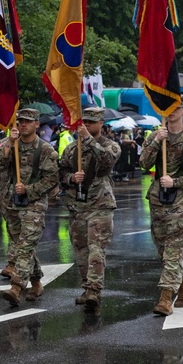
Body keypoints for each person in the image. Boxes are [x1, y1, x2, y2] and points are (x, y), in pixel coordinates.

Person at [139, 96, 183, 316]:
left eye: (175, 108)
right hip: (158, 199)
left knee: (174, 250)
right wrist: (157, 140)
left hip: (182, 199)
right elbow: (143, 163)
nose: (171, 112)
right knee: (163, 249)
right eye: (167, 108)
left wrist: (176, 182)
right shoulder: (156, 136)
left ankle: (166, 298)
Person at [0, 108, 59, 307]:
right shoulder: (8, 144)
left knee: (25, 245)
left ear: (37, 124)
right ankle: (36, 282)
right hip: (11, 203)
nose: (23, 125)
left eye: (28, 121)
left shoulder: (45, 150)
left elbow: (52, 178)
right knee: (23, 247)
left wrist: (29, 190)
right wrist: (10, 144)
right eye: (20, 121)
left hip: (34, 203)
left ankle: (17, 287)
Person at [57, 108, 121, 311]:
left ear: (101, 123)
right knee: (81, 251)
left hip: (100, 205)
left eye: (91, 122)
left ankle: (94, 290)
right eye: (84, 122)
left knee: (96, 248)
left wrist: (87, 139)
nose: (86, 126)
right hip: (77, 205)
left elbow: (106, 161)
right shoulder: (71, 149)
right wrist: (70, 178)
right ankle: (87, 287)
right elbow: (61, 173)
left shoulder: (110, 145)